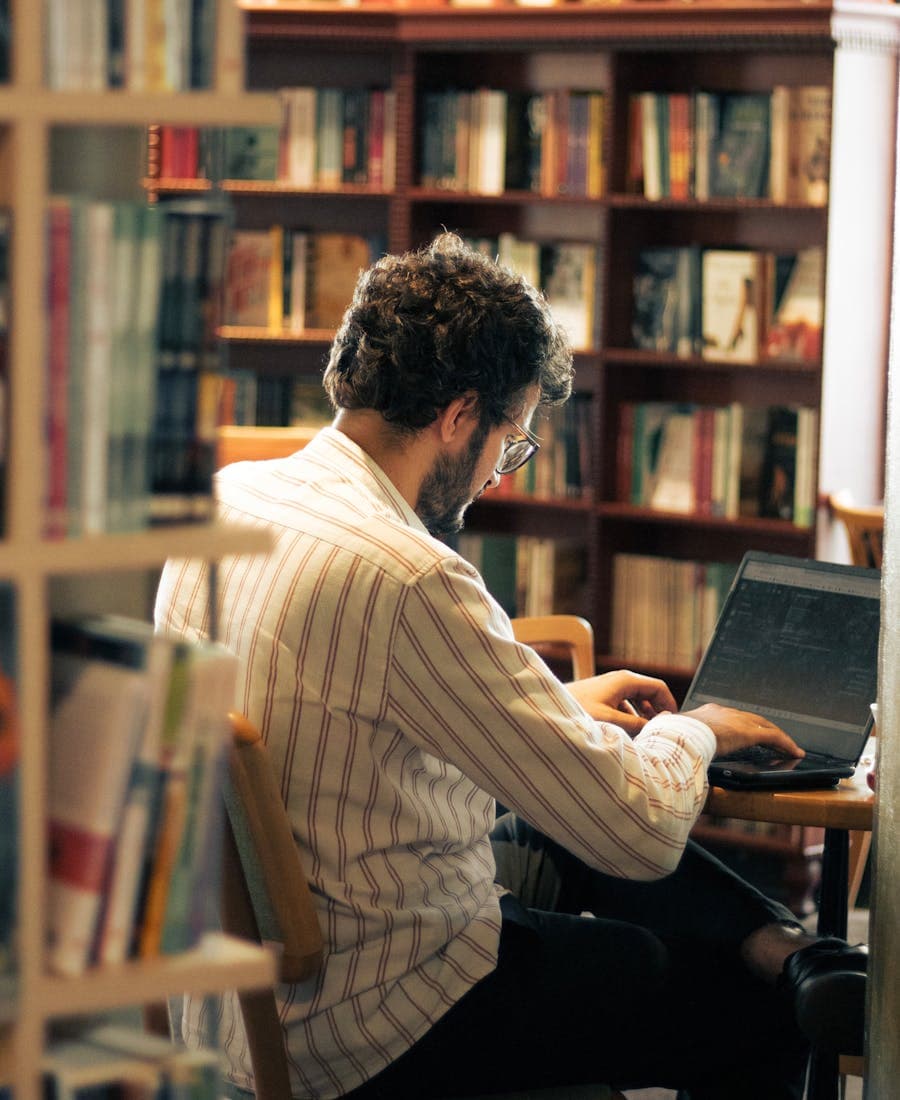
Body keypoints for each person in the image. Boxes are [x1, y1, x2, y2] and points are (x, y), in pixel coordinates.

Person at [155, 233, 866, 1100]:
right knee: (719, 994)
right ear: (460, 415)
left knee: (551, 818)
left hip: (235, 994)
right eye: (512, 437)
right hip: (369, 1019)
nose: (499, 470)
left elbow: (345, 711)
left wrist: (553, 708)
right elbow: (637, 832)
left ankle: (793, 951)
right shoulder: (410, 576)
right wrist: (698, 731)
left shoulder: (233, 498)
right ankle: (789, 972)